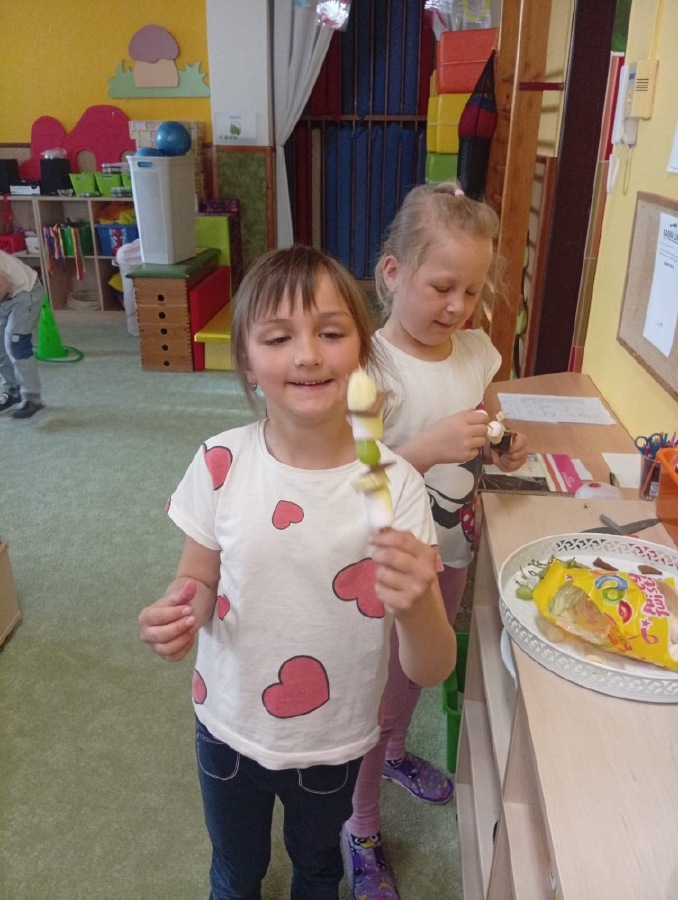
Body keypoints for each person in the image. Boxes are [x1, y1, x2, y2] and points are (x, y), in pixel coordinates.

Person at [138, 245, 456, 900]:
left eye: (331, 333)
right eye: (279, 338)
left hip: (336, 739)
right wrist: (181, 608)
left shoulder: (397, 485)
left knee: (318, 871)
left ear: (363, 353)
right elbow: (197, 578)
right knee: (235, 873)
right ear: (247, 364)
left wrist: (418, 601)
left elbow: (430, 668)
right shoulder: (220, 462)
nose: (308, 355)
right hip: (227, 726)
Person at [342, 182, 529, 899]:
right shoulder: (368, 368)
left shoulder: (477, 351)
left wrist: (504, 443)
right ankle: (360, 825)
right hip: (386, 564)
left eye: (472, 291)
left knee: (420, 672)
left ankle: (394, 751)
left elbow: (490, 419)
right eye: (442, 287)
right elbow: (351, 479)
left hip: (451, 549)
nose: (457, 306)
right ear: (392, 274)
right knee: (374, 691)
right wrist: (422, 450)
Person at [0, 249, 45, 419]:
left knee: (17, 345)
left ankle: (32, 399)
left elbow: (3, 285)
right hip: (5, 298)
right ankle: (12, 390)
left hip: (25, 293)